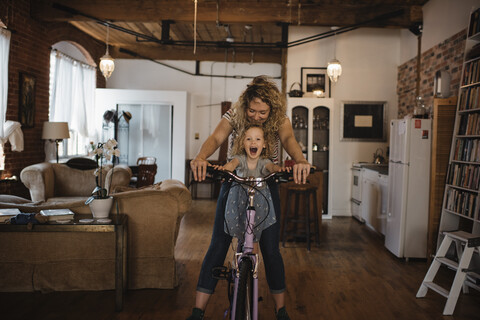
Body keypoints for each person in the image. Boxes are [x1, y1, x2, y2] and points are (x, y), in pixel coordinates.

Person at [188, 75, 311, 320]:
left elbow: (288, 140)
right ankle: (197, 310)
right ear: (246, 106)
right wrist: (201, 156)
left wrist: (301, 160)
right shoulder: (236, 114)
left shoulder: (280, 119)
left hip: (267, 185)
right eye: (252, 110)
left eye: (262, 112)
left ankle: (281, 310)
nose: (256, 116)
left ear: (272, 109)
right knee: (218, 244)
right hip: (235, 183)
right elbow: (216, 138)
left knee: (271, 250)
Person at [218, 124, 282, 242]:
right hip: (240, 199)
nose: (253, 142)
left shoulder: (264, 161)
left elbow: (271, 167)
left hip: (259, 202)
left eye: (258, 139)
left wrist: (279, 170)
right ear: (243, 143)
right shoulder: (240, 158)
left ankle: (253, 258)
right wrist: (223, 169)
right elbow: (232, 165)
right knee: (241, 233)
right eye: (249, 139)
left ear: (264, 144)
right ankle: (238, 258)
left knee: (254, 236)